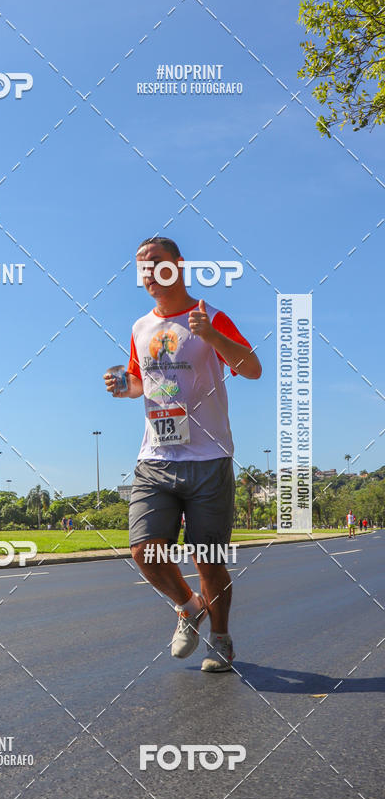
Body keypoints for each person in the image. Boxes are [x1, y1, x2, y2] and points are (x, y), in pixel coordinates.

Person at [104, 237, 261, 672]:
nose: (148, 273)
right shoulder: (139, 328)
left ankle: (221, 638)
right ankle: (189, 606)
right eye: (141, 267)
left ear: (179, 266)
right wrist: (123, 385)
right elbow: (139, 382)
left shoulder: (210, 316)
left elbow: (251, 368)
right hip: (156, 458)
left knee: (208, 560)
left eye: (156, 264)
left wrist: (210, 334)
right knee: (144, 551)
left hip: (209, 456)